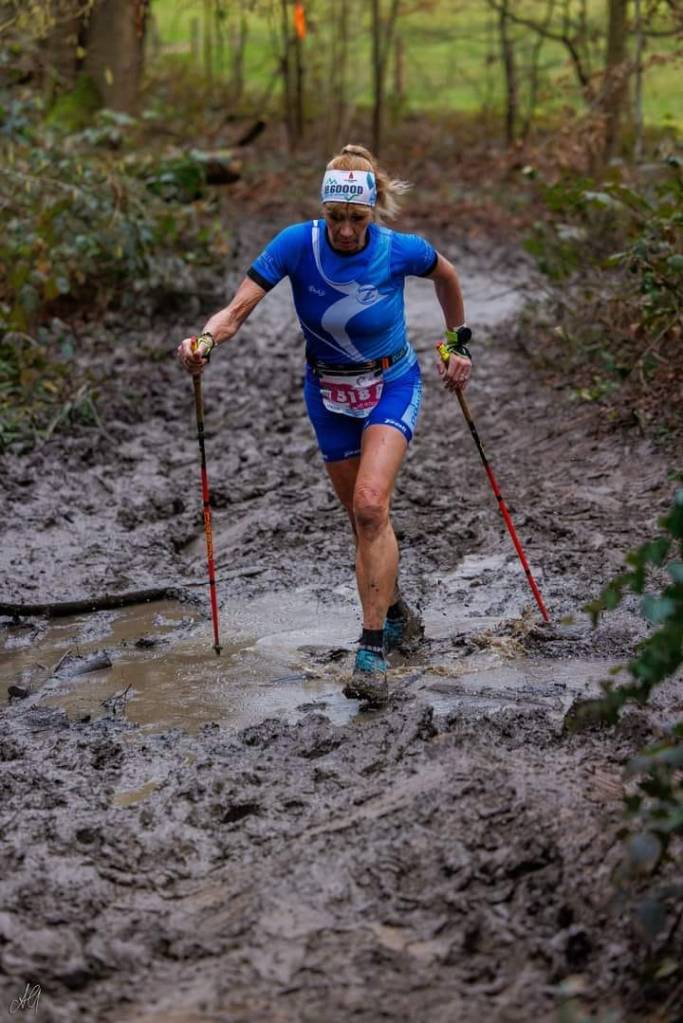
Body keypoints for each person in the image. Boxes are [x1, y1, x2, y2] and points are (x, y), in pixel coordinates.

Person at [177, 143, 471, 706]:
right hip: (328, 394)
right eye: (336, 217)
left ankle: (371, 653)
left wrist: (456, 343)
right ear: (323, 209)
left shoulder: (398, 249)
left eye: (356, 218)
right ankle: (396, 611)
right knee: (362, 523)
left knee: (370, 505)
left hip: (391, 383)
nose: (345, 230)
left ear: (372, 210)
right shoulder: (297, 244)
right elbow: (236, 311)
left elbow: (448, 276)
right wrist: (204, 342)